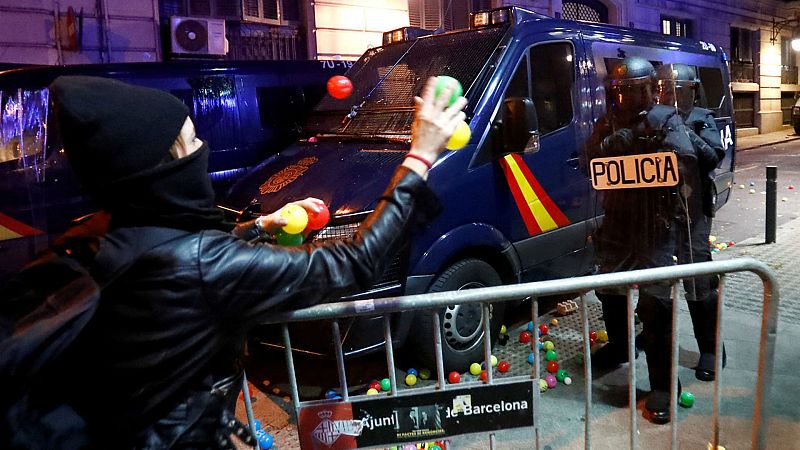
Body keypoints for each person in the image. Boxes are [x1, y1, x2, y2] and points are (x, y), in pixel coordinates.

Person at [17, 75, 466, 449]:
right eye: (192, 140)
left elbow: (171, 250)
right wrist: (420, 155)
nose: (203, 146)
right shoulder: (200, 265)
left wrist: (259, 226)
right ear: (165, 163)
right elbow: (355, 262)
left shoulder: (95, 234)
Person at [588, 57, 695, 424]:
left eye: (636, 90)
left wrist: (643, 145)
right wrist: (607, 145)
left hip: (655, 227)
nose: (629, 96)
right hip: (618, 224)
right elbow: (589, 156)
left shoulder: (666, 119)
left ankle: (664, 383)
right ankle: (619, 346)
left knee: (655, 306)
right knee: (609, 292)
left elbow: (687, 160)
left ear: (650, 89)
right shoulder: (609, 121)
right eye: (623, 91)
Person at [654, 63, 727, 381]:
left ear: (691, 91)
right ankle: (654, 336)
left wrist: (682, 133)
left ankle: (710, 348)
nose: (671, 96)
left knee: (698, 281)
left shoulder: (701, 118)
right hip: (660, 213)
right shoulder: (654, 118)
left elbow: (713, 156)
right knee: (657, 285)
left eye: (677, 91)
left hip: (693, 211)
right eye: (666, 91)